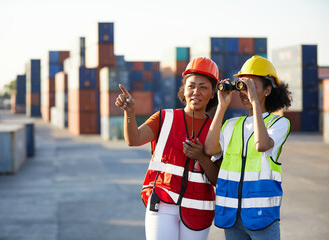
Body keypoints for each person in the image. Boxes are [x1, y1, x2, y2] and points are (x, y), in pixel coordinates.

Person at [115, 57, 220, 240]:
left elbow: (218, 178)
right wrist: (130, 112)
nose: (196, 92)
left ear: (212, 93)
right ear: (183, 89)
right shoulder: (164, 118)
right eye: (191, 86)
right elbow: (134, 139)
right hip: (162, 203)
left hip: (198, 209)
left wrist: (201, 157)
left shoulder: (217, 130)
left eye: (203, 87)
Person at [204, 55, 292, 240]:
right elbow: (210, 149)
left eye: (251, 86)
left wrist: (254, 103)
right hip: (232, 216)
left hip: (262, 217)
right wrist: (221, 106)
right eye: (242, 86)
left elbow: (261, 145)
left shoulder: (279, 123)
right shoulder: (231, 125)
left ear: (267, 90)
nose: (244, 92)